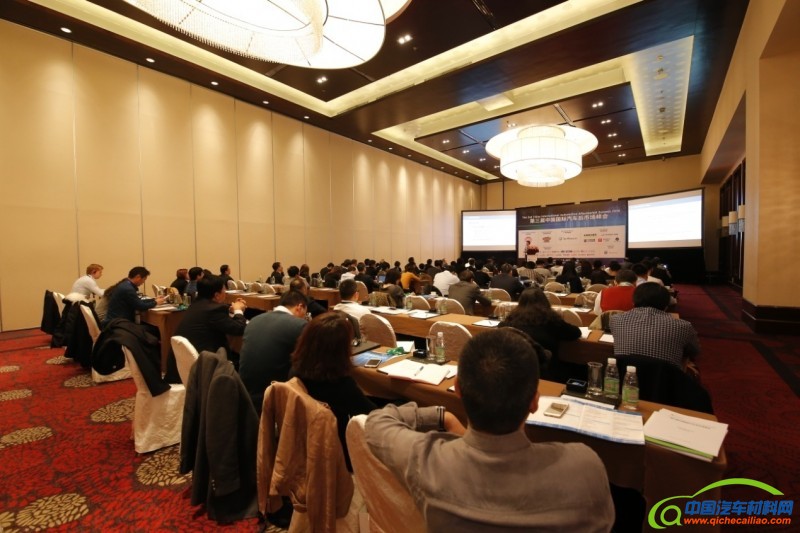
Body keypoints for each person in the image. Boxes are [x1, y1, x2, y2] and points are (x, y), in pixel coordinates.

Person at [365, 328, 615, 532]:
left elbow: (377, 422)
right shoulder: (586, 467)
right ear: (535, 401)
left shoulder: (425, 461)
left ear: (458, 389)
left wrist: (442, 415)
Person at [290, 312, 377, 471]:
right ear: (340, 350)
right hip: (337, 452)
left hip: (303, 443)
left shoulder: (295, 372)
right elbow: (372, 415)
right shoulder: (340, 385)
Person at [239, 290, 308, 413]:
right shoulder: (300, 325)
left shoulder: (254, 320)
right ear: (300, 307)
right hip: (274, 399)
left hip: (245, 394)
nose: (305, 317)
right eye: (305, 313)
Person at [610, 283, 700, 370]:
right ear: (666, 306)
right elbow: (694, 351)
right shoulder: (683, 326)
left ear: (633, 302)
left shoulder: (616, 320)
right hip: (667, 378)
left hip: (624, 376)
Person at [498, 287, 581, 380]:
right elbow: (576, 333)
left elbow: (500, 327)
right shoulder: (551, 320)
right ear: (545, 302)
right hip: (546, 372)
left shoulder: (511, 320)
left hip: (516, 370)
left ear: (520, 302)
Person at [172, 275, 246, 361]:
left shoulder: (195, 305)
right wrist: (238, 310)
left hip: (184, 361)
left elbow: (216, 320)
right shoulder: (214, 310)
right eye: (224, 290)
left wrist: (231, 310)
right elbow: (239, 329)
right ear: (217, 295)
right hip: (204, 362)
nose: (225, 293)